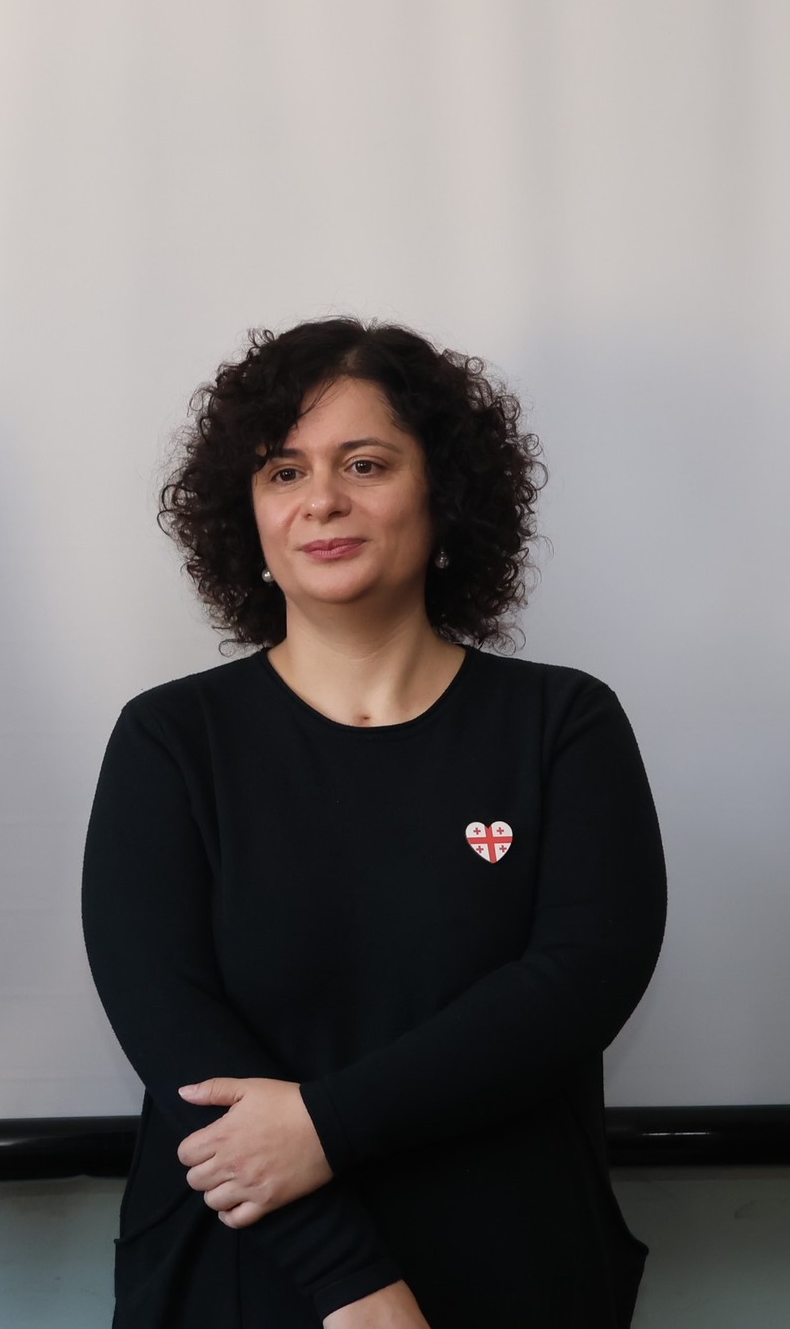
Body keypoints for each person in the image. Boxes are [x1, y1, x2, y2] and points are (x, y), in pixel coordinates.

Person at [81, 320, 664, 1329]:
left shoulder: (561, 723)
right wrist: (349, 1281)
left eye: (364, 463)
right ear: (247, 514)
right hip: (245, 1276)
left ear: (445, 494)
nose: (321, 500)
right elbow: (177, 1041)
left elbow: (581, 979)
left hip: (516, 1270)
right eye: (283, 471)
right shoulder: (169, 741)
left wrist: (323, 1125)